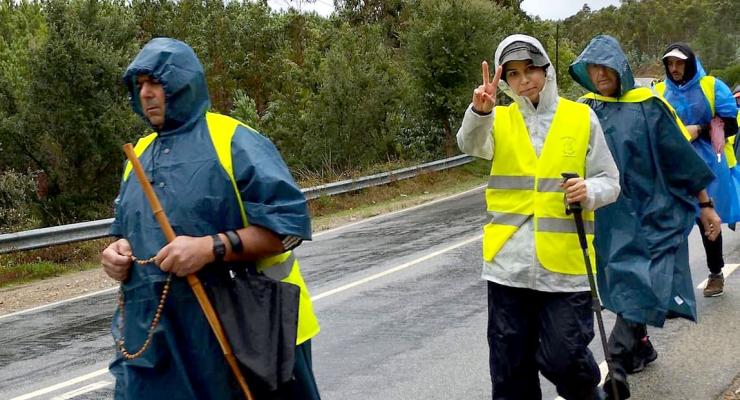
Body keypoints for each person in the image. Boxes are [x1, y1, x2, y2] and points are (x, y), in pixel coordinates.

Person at [100, 38, 321, 399]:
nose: (146, 94)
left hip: (246, 334)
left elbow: (288, 229)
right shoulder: (137, 156)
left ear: (182, 81)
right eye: (139, 86)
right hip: (157, 341)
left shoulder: (232, 140)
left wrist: (210, 248)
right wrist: (117, 253)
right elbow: (126, 233)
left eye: (155, 82)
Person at [457, 34, 621, 400]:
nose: (524, 80)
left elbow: (610, 181)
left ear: (546, 69)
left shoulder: (581, 117)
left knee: (565, 358)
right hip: (507, 267)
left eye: (530, 69)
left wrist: (588, 191)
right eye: (512, 74)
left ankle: (589, 391)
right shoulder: (497, 119)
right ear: (505, 82)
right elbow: (470, 144)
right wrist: (479, 112)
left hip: (565, 268)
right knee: (510, 371)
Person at [569, 35, 722, 399]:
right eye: (593, 68)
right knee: (625, 285)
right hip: (611, 218)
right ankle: (642, 345)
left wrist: (705, 205)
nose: (600, 74)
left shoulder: (650, 106)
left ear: (620, 68)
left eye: (606, 67)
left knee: (643, 282)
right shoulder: (584, 110)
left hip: (655, 211)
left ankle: (617, 366)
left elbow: (679, 158)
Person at [655, 42, 739, 297]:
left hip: (708, 165)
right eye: (670, 63)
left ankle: (716, 272)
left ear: (690, 63)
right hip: (673, 167)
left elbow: (731, 125)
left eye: (679, 63)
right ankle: (673, 288)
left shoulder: (711, 86)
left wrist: (700, 130)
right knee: (673, 227)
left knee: (707, 221)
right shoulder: (659, 91)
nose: (674, 68)